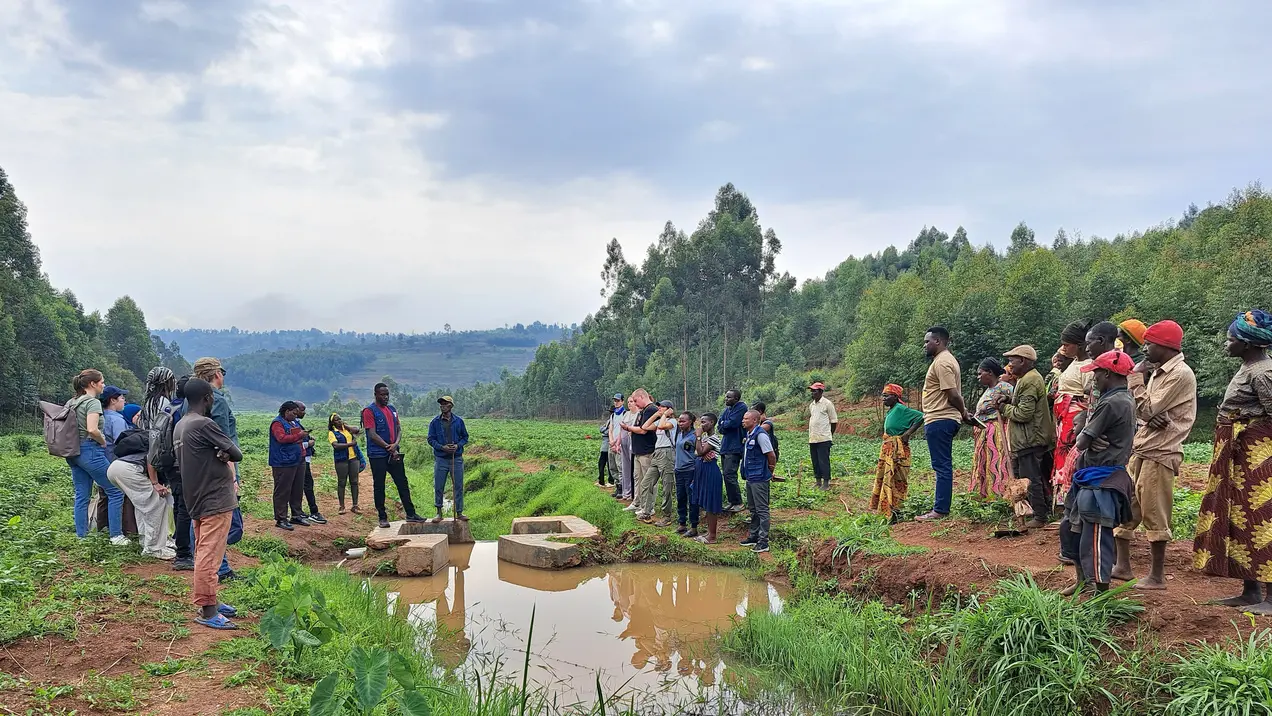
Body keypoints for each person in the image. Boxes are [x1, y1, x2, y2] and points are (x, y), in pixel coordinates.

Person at [1193, 310, 1272, 615]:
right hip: (1239, 455)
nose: (1226, 344)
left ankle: (1269, 597)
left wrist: (1245, 430)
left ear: (1248, 343)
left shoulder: (1263, 372)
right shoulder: (1249, 368)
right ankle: (1250, 590)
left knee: (1261, 518)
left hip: (1258, 458)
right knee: (1238, 519)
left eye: (1231, 339)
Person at [1110, 320, 1195, 590]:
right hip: (1144, 447)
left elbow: (1147, 409)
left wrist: (1135, 379)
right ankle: (1123, 566)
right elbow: (1147, 411)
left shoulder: (1179, 374)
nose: (1144, 349)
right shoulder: (1160, 371)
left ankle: (1157, 576)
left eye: (1149, 344)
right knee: (1128, 505)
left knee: (1154, 511)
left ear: (1165, 346)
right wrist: (1149, 412)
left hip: (1161, 451)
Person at [1060, 351, 1136, 595]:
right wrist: (1084, 429)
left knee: (1095, 536)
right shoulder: (1115, 398)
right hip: (1091, 475)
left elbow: (1081, 441)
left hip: (1101, 478)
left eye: (1095, 373)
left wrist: (1084, 433)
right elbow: (1083, 435)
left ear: (1107, 373)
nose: (1093, 378)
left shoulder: (1114, 402)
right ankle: (1082, 581)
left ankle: (1101, 593)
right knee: (1071, 527)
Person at [173, 377, 242, 630]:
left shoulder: (181, 425)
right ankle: (208, 610)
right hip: (215, 498)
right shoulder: (204, 424)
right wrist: (225, 454)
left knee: (205, 550)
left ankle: (211, 599)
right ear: (207, 398)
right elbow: (236, 453)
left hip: (197, 497)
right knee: (209, 555)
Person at [192, 357, 244, 582]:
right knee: (227, 522)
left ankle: (211, 563)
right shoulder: (217, 401)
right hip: (219, 468)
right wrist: (232, 476)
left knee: (206, 520)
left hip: (196, 467)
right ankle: (217, 567)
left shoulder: (190, 401)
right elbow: (223, 441)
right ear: (217, 374)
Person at [65, 370, 126, 544]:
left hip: (73, 452)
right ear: (92, 384)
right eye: (102, 382)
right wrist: (103, 440)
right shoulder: (92, 403)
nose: (103, 385)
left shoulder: (72, 402)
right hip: (90, 450)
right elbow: (92, 429)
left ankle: (81, 537)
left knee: (82, 495)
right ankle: (116, 536)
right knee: (115, 490)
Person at [999, 346, 1056, 528]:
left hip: (1030, 439)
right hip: (1031, 437)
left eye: (1012, 361)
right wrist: (1009, 401)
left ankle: (1039, 516)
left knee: (1030, 478)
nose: (1009, 366)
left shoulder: (1029, 380)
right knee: (1036, 476)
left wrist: (1003, 408)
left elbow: (1024, 414)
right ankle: (1043, 511)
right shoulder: (1028, 378)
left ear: (1023, 361)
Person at [916, 326, 969, 521]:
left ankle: (940, 510)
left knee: (942, 465)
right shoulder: (944, 361)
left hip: (940, 418)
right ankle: (940, 507)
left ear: (938, 341)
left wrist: (963, 412)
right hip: (941, 418)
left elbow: (952, 394)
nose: (925, 345)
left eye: (927, 341)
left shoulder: (942, 363)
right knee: (942, 464)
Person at [107, 422, 174, 559]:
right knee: (157, 504)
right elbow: (151, 460)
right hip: (130, 470)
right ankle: (154, 549)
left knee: (143, 505)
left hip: (115, 467)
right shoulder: (166, 447)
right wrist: (155, 483)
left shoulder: (158, 441)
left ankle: (146, 541)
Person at [363, 383, 425, 529]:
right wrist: (388, 447)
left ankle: (411, 514)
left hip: (394, 452)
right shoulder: (369, 411)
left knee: (402, 482)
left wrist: (395, 444)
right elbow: (372, 434)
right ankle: (382, 517)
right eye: (382, 394)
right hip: (378, 454)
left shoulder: (392, 410)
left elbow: (399, 429)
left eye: (387, 394)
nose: (385, 397)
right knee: (379, 485)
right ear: (375, 394)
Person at [1052, 321, 1095, 511]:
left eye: (1066, 344)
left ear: (1079, 344)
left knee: (1073, 458)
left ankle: (1074, 501)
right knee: (1064, 459)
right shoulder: (1075, 363)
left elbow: (1089, 398)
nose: (1063, 348)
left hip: (1075, 422)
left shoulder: (1089, 367)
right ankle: (1065, 502)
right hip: (1064, 420)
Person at [873, 384, 924, 522]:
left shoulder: (901, 409)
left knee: (897, 479)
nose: (883, 398)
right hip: (888, 448)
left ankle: (896, 512)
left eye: (886, 395)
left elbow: (921, 416)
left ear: (895, 397)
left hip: (898, 449)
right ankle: (888, 510)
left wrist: (907, 434)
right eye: (883, 395)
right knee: (887, 478)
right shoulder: (891, 410)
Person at [969, 358, 1014, 499]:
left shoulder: (1004, 387)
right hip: (985, 433)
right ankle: (986, 495)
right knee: (986, 464)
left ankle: (1001, 495)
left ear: (989, 372)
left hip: (997, 432)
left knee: (998, 463)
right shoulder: (988, 391)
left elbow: (1013, 405)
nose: (978, 377)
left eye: (980, 373)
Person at [739, 410, 776, 553]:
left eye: (746, 418)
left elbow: (771, 455)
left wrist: (770, 471)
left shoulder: (760, 435)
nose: (743, 421)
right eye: (743, 418)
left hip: (759, 478)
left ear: (755, 420)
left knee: (762, 510)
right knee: (753, 509)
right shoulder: (749, 435)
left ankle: (763, 541)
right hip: (751, 477)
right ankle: (753, 536)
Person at [428, 396, 469, 522]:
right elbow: (430, 439)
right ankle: (439, 512)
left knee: (458, 486)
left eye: (445, 404)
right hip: (441, 459)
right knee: (439, 485)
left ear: (451, 406)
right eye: (441, 404)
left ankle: (459, 512)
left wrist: (457, 446)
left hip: (456, 458)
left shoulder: (459, 421)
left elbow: (465, 437)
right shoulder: (435, 422)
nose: (442, 406)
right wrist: (442, 447)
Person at [269, 401, 309, 531]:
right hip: (283, 462)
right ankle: (281, 518)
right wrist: (299, 435)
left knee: (297, 489)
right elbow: (281, 438)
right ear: (287, 411)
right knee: (283, 490)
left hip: (297, 459)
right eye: (294, 413)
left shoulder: (293, 422)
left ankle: (296, 514)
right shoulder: (277, 423)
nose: (296, 416)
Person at [621, 389, 660, 519]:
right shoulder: (643, 411)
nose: (635, 404)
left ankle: (648, 507)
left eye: (636, 401)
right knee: (638, 478)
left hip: (647, 450)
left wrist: (627, 428)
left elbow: (643, 430)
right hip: (638, 450)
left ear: (642, 396)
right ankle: (638, 502)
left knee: (648, 480)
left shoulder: (651, 410)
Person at [637, 400, 677, 526]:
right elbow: (645, 427)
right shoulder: (660, 419)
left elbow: (661, 427)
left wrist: (664, 415)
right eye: (658, 407)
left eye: (662, 407)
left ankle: (667, 516)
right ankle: (646, 511)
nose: (659, 409)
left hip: (667, 453)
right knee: (646, 483)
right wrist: (656, 415)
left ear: (669, 409)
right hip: (657, 452)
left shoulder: (672, 422)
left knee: (667, 486)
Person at [692, 413, 724, 544]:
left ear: (712, 423)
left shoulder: (714, 438)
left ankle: (712, 536)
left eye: (704, 422)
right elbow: (698, 452)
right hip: (703, 470)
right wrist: (701, 452)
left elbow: (699, 451)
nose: (701, 425)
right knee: (705, 501)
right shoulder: (706, 438)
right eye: (701, 422)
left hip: (710, 471)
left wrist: (698, 437)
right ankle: (709, 532)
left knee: (711, 503)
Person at [294, 402, 326, 524]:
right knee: (307, 486)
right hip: (301, 460)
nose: (304, 412)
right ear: (295, 410)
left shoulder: (296, 424)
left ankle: (299, 512)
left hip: (304, 459)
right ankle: (313, 512)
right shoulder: (294, 425)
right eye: (302, 410)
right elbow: (293, 444)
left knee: (302, 486)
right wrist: (309, 444)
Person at [716, 389, 748, 513]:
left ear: (736, 399)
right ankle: (731, 501)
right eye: (726, 397)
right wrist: (725, 424)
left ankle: (738, 502)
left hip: (735, 447)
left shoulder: (741, 407)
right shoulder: (727, 410)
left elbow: (733, 423)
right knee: (726, 474)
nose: (726, 399)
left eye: (729, 397)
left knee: (730, 474)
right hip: (725, 446)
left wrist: (725, 423)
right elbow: (720, 426)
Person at [327, 413, 365, 514]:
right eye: (336, 420)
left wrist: (346, 425)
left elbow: (357, 430)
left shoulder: (347, 429)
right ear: (332, 423)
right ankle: (342, 506)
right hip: (341, 460)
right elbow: (336, 445)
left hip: (353, 458)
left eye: (340, 419)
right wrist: (350, 444)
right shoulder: (332, 433)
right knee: (342, 483)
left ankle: (355, 505)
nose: (339, 421)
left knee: (354, 482)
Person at [806, 382, 838, 489]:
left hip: (824, 438)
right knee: (815, 461)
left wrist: (829, 435)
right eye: (811, 391)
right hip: (813, 438)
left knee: (823, 461)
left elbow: (834, 421)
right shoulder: (811, 405)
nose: (812, 393)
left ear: (820, 392)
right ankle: (818, 481)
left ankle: (826, 483)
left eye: (814, 391)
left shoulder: (827, 404)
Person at [672, 411, 699, 537]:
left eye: (683, 421)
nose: (680, 423)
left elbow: (698, 454)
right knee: (680, 497)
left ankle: (694, 527)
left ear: (690, 422)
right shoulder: (679, 434)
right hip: (679, 471)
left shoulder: (694, 436)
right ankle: (682, 523)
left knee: (692, 499)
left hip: (690, 471)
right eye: (679, 421)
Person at [101, 385, 130, 460]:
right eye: (122, 398)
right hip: (114, 461)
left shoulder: (100, 416)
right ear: (113, 400)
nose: (125, 401)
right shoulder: (117, 420)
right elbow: (122, 444)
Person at [618, 396, 638, 503]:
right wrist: (618, 443)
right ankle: (626, 491)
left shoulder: (638, 414)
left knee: (633, 468)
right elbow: (621, 430)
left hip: (632, 443)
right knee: (625, 467)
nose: (629, 404)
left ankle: (633, 493)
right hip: (624, 443)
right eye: (628, 402)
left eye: (632, 401)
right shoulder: (626, 414)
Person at [606, 394, 625, 497]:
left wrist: (616, 442)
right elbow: (611, 429)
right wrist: (611, 441)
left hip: (620, 444)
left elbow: (623, 430)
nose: (616, 402)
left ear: (622, 401)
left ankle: (622, 487)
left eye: (618, 400)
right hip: (612, 443)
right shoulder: (613, 415)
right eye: (615, 401)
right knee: (612, 466)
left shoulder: (625, 414)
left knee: (620, 466)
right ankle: (617, 486)